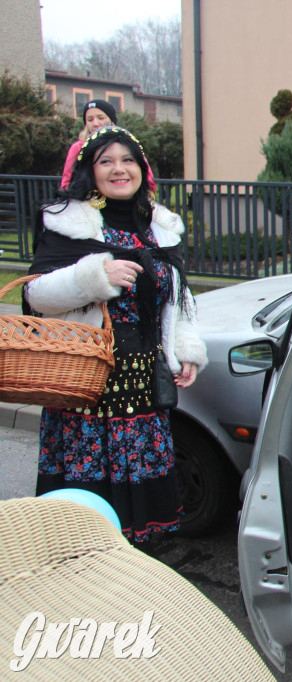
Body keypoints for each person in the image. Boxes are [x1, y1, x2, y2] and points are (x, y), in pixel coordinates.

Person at [24, 125, 207, 547]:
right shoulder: (68, 223)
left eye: (128, 160)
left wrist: (186, 348)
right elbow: (35, 295)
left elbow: (178, 297)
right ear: (91, 171)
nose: (119, 169)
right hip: (87, 380)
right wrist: (94, 277)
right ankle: (82, 557)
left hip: (142, 379)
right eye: (106, 161)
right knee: (88, 487)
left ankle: (136, 558)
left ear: (142, 169)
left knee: (141, 474)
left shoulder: (159, 228)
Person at [60, 99, 155, 193]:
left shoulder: (126, 144)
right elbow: (67, 180)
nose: (95, 123)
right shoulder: (78, 148)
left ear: (111, 121)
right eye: (90, 119)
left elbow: (147, 176)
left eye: (101, 118)